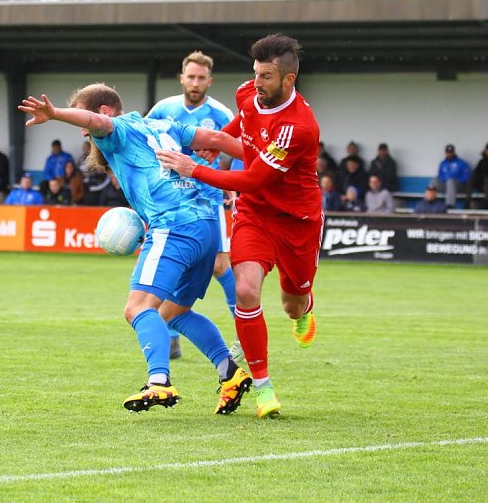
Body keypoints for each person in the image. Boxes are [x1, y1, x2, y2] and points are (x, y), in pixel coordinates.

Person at [20, 83, 252, 415]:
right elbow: (217, 141)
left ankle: (158, 382)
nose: (89, 138)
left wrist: (55, 114)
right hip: (206, 225)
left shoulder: (119, 129)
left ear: (102, 112)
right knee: (174, 312)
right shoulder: (162, 124)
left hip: (173, 224)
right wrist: (267, 165)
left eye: (86, 129)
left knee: (137, 307)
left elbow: (99, 125)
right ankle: (229, 374)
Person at [157, 33, 322, 419]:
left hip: (297, 222)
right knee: (246, 289)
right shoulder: (249, 93)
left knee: (292, 303)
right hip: (255, 215)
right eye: (255, 73)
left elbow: (253, 179)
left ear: (289, 80)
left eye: (266, 76)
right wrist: (222, 138)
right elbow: (244, 120)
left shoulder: (298, 128)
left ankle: (304, 306)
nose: (256, 83)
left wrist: (193, 168)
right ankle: (263, 388)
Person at [145, 50, 237, 360]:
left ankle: (245, 330)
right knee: (174, 264)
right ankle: (170, 336)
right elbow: (144, 144)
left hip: (207, 197)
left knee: (220, 265)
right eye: (191, 77)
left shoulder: (222, 114)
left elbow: (243, 148)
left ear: (209, 81)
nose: (195, 83)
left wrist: (235, 183)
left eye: (201, 78)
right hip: (171, 199)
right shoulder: (163, 109)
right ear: (181, 78)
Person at [435, 144, 471, 208]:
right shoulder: (443, 163)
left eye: (451, 153)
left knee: (451, 181)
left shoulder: (461, 163)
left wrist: (455, 179)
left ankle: (450, 205)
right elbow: (440, 175)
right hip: (445, 186)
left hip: (459, 186)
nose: (449, 154)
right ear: (445, 153)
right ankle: (428, 203)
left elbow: (466, 176)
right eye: (447, 152)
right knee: (434, 180)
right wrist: (446, 179)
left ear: (454, 153)